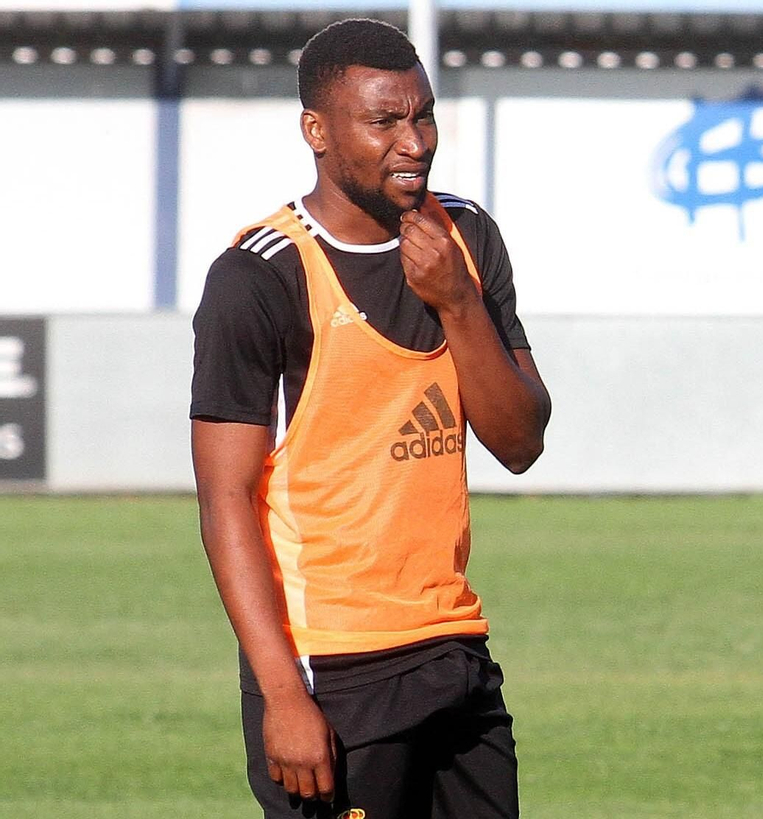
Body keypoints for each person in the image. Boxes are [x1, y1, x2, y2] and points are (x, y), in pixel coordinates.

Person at [190, 18, 550, 818]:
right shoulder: (258, 279)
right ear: (317, 131)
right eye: (384, 121)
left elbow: (521, 440)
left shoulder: (468, 238)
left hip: (456, 650)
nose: (414, 141)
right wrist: (283, 695)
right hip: (333, 672)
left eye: (422, 115)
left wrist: (458, 300)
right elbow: (224, 503)